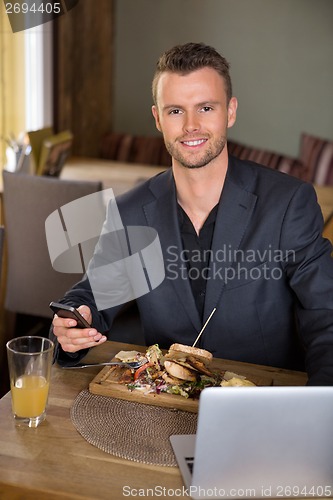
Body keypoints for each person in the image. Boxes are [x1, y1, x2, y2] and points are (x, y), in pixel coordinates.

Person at [51, 42, 333, 384]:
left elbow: (326, 315)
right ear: (157, 118)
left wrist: (320, 406)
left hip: (263, 402)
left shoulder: (289, 202)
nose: (191, 126)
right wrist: (72, 326)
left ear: (230, 111)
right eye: (175, 111)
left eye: (206, 108)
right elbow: (92, 296)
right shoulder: (128, 211)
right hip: (164, 403)